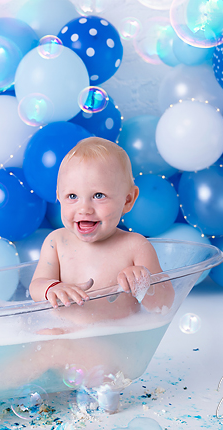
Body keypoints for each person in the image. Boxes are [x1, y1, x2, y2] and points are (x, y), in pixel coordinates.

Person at [29, 137, 174, 329]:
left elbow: (164, 305)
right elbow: (36, 286)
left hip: (114, 339)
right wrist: (51, 288)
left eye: (98, 196)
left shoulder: (135, 246)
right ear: (58, 197)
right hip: (62, 332)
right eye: (72, 196)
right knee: (45, 339)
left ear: (128, 200)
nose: (84, 208)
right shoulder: (56, 242)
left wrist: (144, 283)